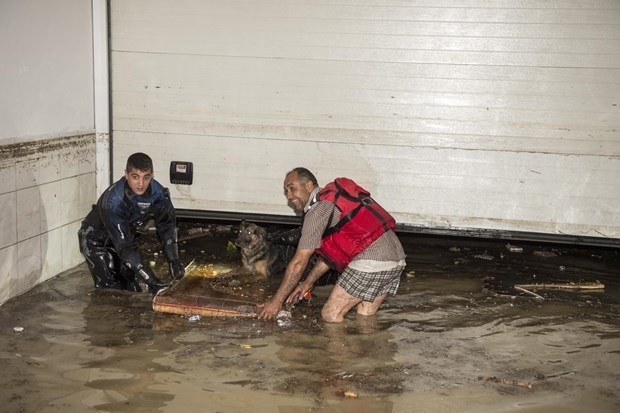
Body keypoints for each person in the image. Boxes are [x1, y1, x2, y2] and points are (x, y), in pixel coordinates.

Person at [257, 167, 406, 322]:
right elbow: (332, 253)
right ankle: (366, 345)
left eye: (292, 188)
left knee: (330, 315)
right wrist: (308, 282)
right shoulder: (332, 199)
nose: (289, 196)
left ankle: (335, 346)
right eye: (286, 191)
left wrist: (276, 302)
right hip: (397, 259)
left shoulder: (316, 211)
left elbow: (298, 263)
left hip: (373, 259)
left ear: (309, 185)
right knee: (365, 314)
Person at [78, 152, 184, 294]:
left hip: (123, 237)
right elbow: (126, 247)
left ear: (152, 175)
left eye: (146, 178)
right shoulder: (113, 202)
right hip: (97, 241)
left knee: (132, 286)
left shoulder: (158, 194)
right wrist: (153, 281)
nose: (141, 184)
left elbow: (167, 224)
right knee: (112, 290)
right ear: (126, 175)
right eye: (135, 177)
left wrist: (173, 259)